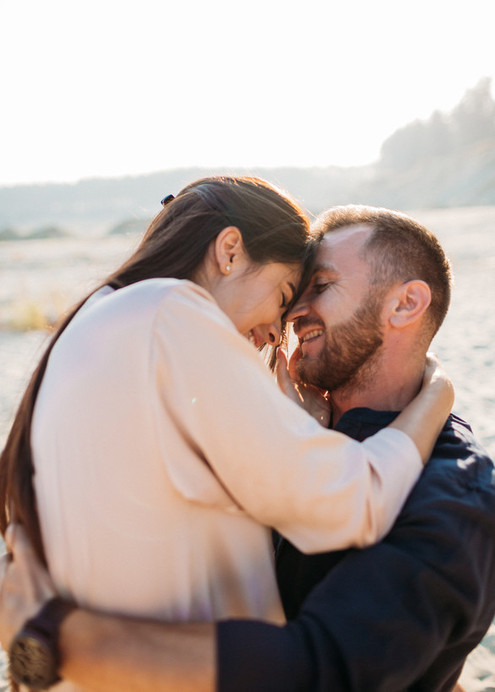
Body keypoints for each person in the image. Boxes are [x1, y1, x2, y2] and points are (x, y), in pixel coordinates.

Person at [0, 184, 452, 689]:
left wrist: (296, 427)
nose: (275, 333)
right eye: (283, 297)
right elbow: (355, 503)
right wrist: (436, 395)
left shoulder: (96, 323)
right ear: (229, 250)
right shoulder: (169, 311)